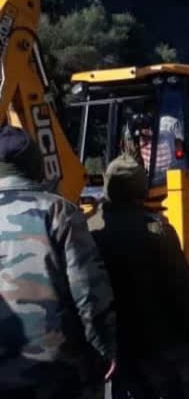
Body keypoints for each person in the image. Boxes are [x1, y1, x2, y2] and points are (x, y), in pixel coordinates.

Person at [88, 154, 189, 399]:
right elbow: (184, 288)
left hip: (122, 346)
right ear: (140, 190)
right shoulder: (156, 229)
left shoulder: (88, 228)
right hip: (165, 343)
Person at [0, 126, 117, 398]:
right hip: (59, 369)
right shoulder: (58, 211)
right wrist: (105, 347)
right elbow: (88, 291)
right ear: (34, 163)